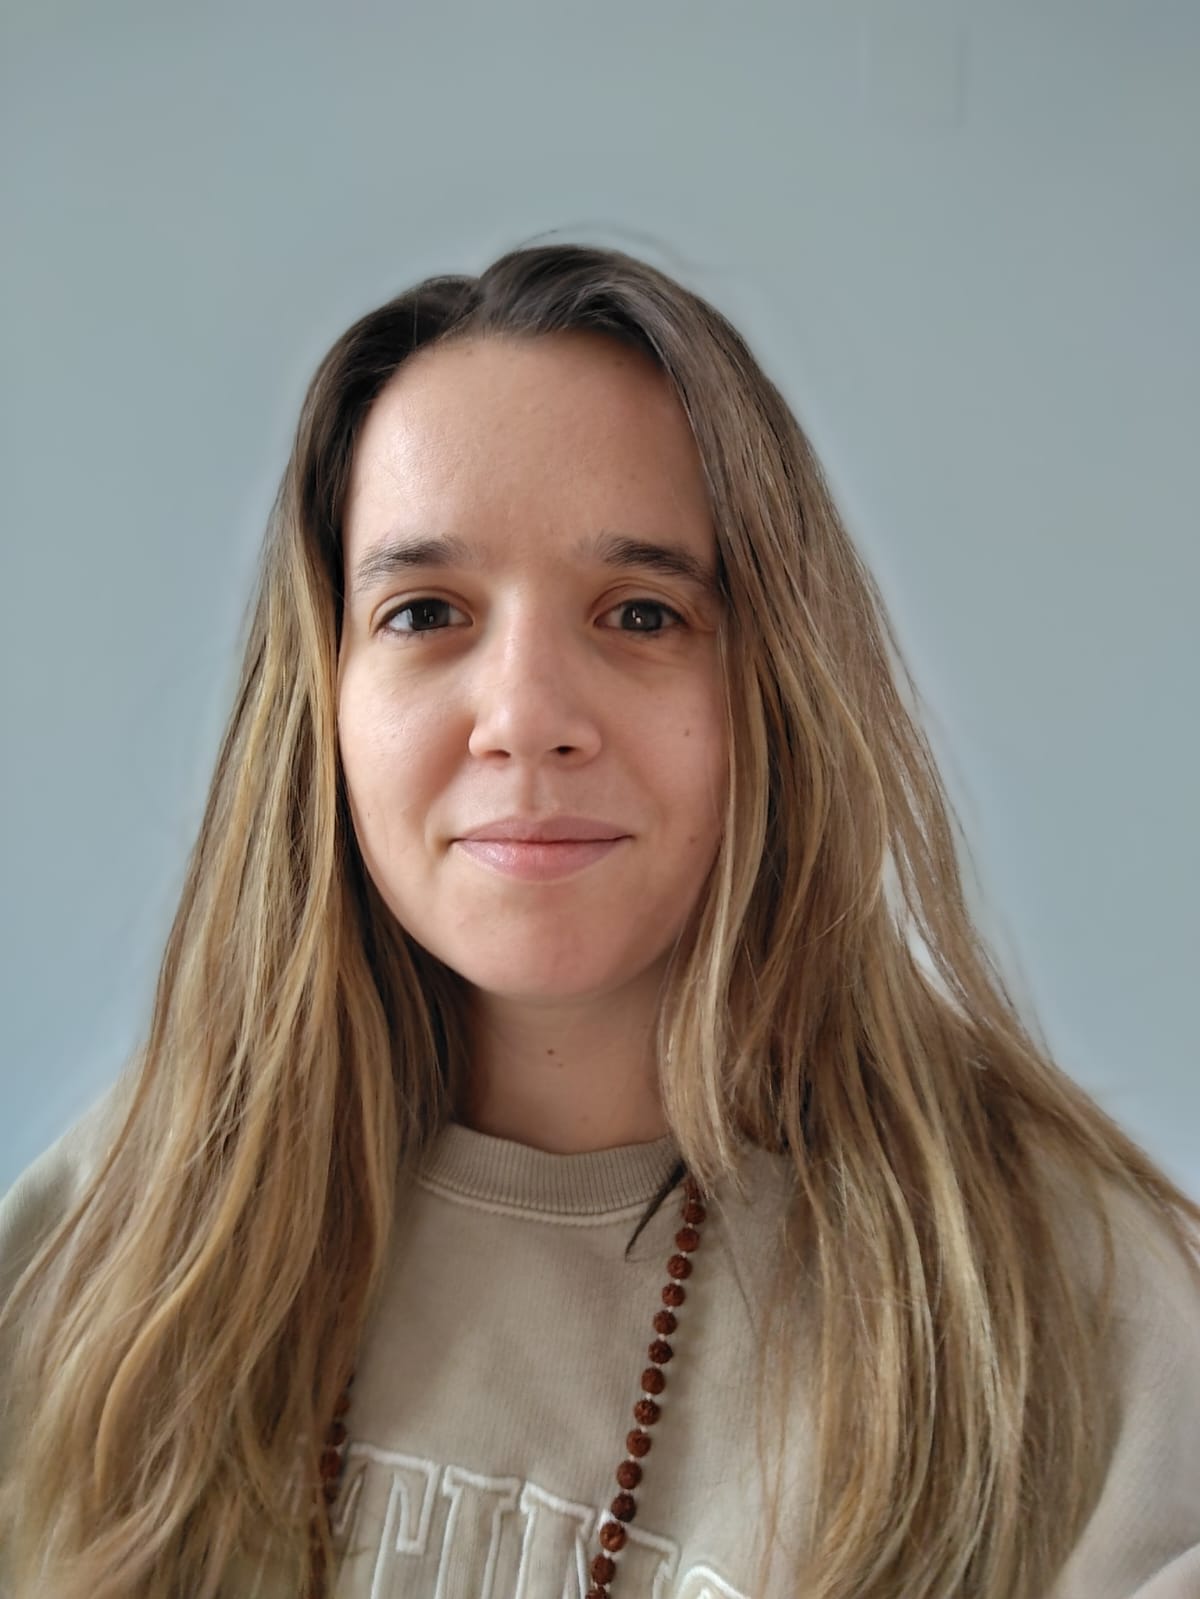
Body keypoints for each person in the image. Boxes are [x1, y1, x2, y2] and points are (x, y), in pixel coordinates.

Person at [1, 242, 1197, 1599]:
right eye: (425, 612)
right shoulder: (130, 1227)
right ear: (323, 700)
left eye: (640, 612)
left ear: (776, 686)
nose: (525, 720)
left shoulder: (1078, 1308)